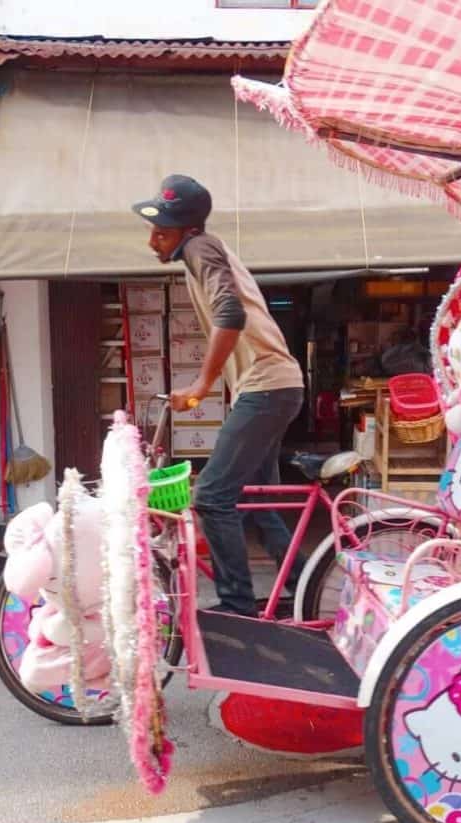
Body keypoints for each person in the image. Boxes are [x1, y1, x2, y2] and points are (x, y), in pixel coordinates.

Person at [133, 175, 306, 616]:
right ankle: (309, 587)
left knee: (211, 496)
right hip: (275, 386)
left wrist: (202, 385)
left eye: (162, 231)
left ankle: (236, 605)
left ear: (186, 230)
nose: (153, 239)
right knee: (259, 500)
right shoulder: (200, 250)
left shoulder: (199, 248)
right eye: (153, 229)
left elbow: (229, 311)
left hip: (267, 387)